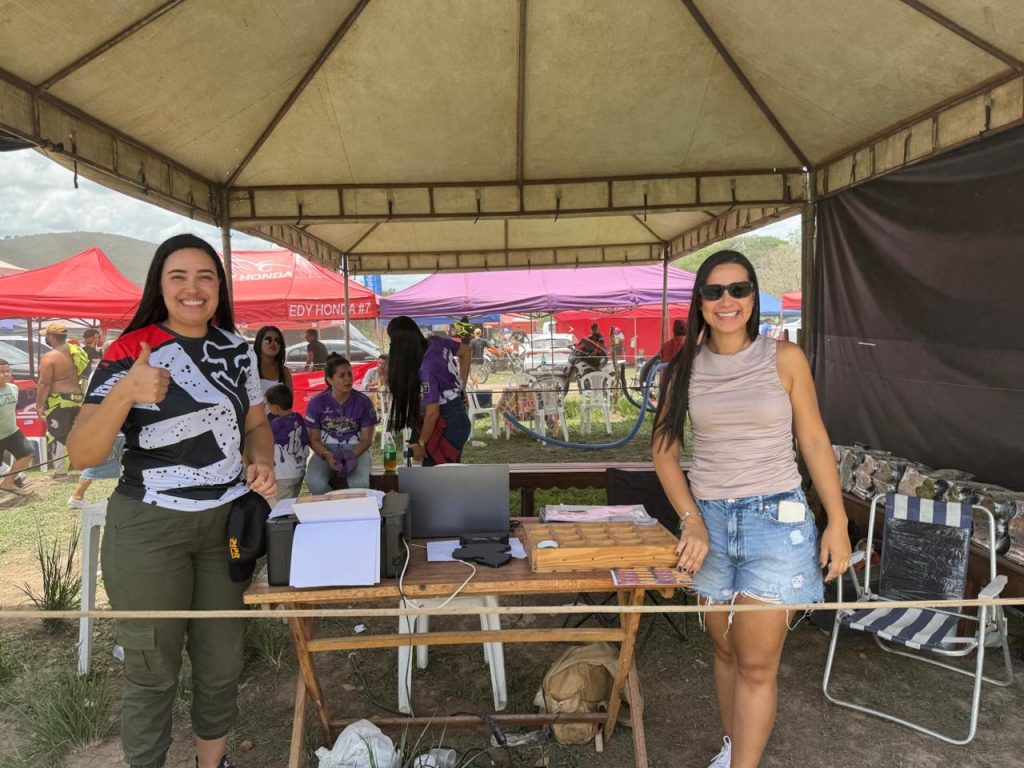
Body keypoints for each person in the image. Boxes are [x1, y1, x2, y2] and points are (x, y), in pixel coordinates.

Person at [67, 233, 277, 768]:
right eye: (177, 276)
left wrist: (262, 460)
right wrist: (125, 392)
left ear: (219, 287)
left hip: (226, 526)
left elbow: (256, 425)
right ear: (159, 285)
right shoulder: (127, 350)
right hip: (148, 528)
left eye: (205, 276)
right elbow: (81, 452)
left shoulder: (238, 349)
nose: (192, 288)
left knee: (222, 661)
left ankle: (214, 762)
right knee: (151, 668)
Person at [651, 250, 850, 768]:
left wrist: (838, 520)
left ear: (753, 297)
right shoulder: (682, 369)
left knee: (757, 664)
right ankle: (734, 748)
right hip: (710, 523)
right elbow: (664, 453)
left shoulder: (785, 358)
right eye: (714, 291)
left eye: (738, 289)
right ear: (699, 301)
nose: (727, 300)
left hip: (776, 524)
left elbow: (813, 440)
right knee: (725, 652)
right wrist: (692, 520)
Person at [386, 315, 471, 466]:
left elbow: (432, 413)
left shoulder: (426, 369)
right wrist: (461, 387)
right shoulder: (435, 341)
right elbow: (466, 351)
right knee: (447, 472)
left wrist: (421, 444)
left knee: (435, 472)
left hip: (449, 421)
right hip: (456, 414)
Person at [304, 353, 377, 492]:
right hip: (326, 449)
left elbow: (367, 439)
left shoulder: (364, 402)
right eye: (342, 375)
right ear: (329, 380)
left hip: (356, 449)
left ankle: (356, 507)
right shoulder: (317, 402)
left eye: (349, 374)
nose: (348, 379)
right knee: (314, 482)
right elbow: (313, 439)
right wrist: (327, 455)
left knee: (359, 483)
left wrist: (351, 455)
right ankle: (333, 505)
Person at [35, 321, 85, 477]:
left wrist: (39, 405)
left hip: (60, 401)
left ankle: (61, 472)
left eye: (46, 336)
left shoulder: (50, 357)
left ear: (51, 337)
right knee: (75, 434)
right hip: (77, 398)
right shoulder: (76, 351)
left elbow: (44, 383)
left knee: (58, 435)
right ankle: (82, 466)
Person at [265, 384, 309, 503]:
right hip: (299, 471)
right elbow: (306, 441)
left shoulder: (275, 425)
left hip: (283, 475)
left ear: (276, 408)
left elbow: (264, 443)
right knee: (292, 502)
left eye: (268, 404)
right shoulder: (298, 418)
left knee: (281, 507)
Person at [0, 359, 34, 500]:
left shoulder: (13, 388)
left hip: (11, 431)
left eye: (8, 371)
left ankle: (8, 483)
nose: (6, 374)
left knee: (27, 452)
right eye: (1, 372)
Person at [67, 433, 126, 508]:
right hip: (118, 434)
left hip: (107, 434)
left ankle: (77, 497)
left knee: (93, 465)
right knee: (127, 465)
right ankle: (77, 497)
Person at [253, 325, 292, 393]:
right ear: (259, 342)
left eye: (277, 341)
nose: (273, 343)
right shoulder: (250, 368)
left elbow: (289, 399)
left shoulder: (284, 371)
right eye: (268, 340)